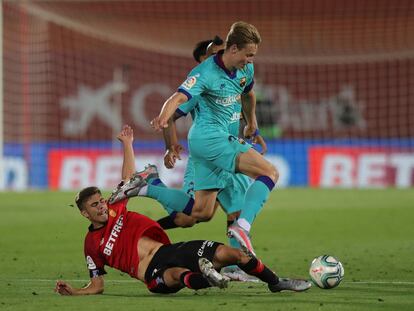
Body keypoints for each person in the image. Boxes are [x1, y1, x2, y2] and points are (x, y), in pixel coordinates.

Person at [54, 129, 312, 295]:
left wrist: (128, 144)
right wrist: (75, 291)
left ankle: (275, 282)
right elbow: (97, 284)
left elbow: (127, 180)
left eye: (100, 201)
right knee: (178, 274)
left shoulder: (113, 210)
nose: (101, 206)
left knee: (235, 254)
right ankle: (207, 276)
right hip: (151, 274)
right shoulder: (91, 245)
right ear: (85, 214)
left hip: (169, 250)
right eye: (94, 206)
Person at [150, 21, 277, 255]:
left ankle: (148, 187)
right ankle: (242, 230)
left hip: (225, 143)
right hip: (210, 142)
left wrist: (252, 125)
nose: (250, 60)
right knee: (268, 173)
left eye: (253, 56)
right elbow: (177, 100)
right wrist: (164, 122)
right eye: (248, 54)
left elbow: (248, 94)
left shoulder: (245, 70)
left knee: (202, 212)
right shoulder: (204, 75)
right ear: (233, 48)